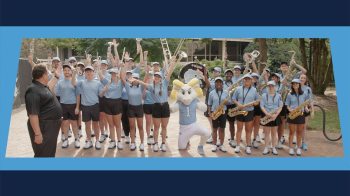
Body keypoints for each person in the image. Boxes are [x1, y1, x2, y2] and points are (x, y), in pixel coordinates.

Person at [134, 57, 177, 152]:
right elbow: (142, 83)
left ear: (161, 78)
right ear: (154, 78)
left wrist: (172, 63)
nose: (157, 78)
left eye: (158, 77)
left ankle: (163, 143)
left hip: (165, 106)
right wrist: (135, 80)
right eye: (155, 76)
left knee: (164, 127)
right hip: (156, 106)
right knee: (156, 127)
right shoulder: (151, 86)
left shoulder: (165, 83)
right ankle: (156, 143)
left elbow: (169, 72)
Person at [25, 65, 63, 157]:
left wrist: (57, 76)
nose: (49, 74)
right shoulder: (33, 90)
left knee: (49, 152)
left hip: (49, 127)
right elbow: (33, 114)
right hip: (44, 127)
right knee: (43, 154)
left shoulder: (42, 87)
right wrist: (38, 134)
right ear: (43, 75)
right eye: (48, 72)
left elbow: (49, 87)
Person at [76, 65, 104, 149]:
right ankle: (89, 141)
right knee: (87, 125)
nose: (88, 73)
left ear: (93, 72)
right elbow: (73, 83)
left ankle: (97, 141)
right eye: (87, 71)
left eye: (90, 71)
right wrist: (74, 73)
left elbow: (100, 94)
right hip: (85, 107)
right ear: (85, 73)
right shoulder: (82, 82)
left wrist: (105, 89)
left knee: (96, 124)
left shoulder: (98, 83)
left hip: (95, 105)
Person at [232, 74, 260, 154]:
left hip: (249, 111)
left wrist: (254, 104)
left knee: (248, 130)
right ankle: (237, 145)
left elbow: (257, 101)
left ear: (251, 81)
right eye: (245, 79)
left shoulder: (254, 90)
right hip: (240, 111)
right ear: (243, 80)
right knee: (239, 129)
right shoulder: (238, 89)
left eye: (248, 79)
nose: (246, 81)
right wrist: (238, 104)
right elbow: (233, 98)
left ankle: (248, 146)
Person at [56, 64, 80, 148]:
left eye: (68, 70)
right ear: (63, 72)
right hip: (63, 105)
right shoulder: (60, 82)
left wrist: (77, 107)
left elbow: (77, 95)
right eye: (65, 70)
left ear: (71, 71)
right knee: (65, 123)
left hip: (73, 105)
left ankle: (76, 139)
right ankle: (65, 139)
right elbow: (57, 94)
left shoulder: (75, 80)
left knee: (74, 123)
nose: (66, 71)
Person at [99, 68, 124, 149]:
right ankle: (113, 141)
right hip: (107, 103)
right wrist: (104, 90)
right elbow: (100, 75)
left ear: (117, 74)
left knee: (117, 124)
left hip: (117, 103)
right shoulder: (107, 82)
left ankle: (119, 141)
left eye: (115, 73)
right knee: (111, 124)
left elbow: (123, 74)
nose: (113, 75)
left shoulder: (121, 83)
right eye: (112, 73)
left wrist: (123, 66)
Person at [121, 71, 146, 151]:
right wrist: (123, 66)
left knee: (140, 126)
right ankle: (133, 143)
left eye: (136, 78)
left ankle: (142, 143)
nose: (134, 80)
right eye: (133, 78)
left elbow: (146, 80)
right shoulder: (128, 86)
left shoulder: (141, 87)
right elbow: (122, 77)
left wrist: (139, 80)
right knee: (132, 126)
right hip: (131, 108)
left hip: (139, 108)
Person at [285, 79, 308, 156]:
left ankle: (298, 148)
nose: (295, 85)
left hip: (301, 115)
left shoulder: (304, 94)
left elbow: (305, 104)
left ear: (299, 85)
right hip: (292, 115)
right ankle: (291, 148)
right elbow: (287, 105)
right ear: (292, 85)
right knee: (291, 132)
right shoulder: (289, 94)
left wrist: (307, 108)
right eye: (293, 84)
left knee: (299, 132)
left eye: (296, 84)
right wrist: (290, 109)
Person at [260, 81, 283, 155]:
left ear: (275, 86)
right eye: (269, 86)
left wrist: (275, 115)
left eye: (272, 86)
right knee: (266, 133)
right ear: (267, 87)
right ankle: (266, 147)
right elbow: (262, 106)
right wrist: (267, 114)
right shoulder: (263, 95)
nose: (270, 87)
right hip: (266, 115)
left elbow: (280, 106)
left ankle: (273, 147)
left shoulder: (279, 95)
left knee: (274, 133)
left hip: (275, 115)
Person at [208, 77, 229, 153]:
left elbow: (228, 102)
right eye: (217, 82)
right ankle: (214, 144)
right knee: (214, 129)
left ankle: (221, 144)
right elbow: (209, 104)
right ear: (215, 84)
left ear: (222, 84)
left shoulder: (226, 92)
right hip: (214, 112)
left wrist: (226, 102)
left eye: (220, 82)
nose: (218, 84)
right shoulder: (211, 93)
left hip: (223, 112)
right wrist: (210, 112)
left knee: (222, 129)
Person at [204, 67, 222, 144]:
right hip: (208, 100)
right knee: (210, 119)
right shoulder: (211, 79)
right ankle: (213, 133)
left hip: (214, 103)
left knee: (214, 120)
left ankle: (214, 136)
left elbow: (208, 84)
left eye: (216, 71)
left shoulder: (219, 81)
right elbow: (206, 86)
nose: (214, 72)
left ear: (220, 73)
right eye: (214, 71)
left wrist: (205, 75)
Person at [299, 74, 314, 151]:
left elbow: (310, 100)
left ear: (306, 80)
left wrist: (312, 110)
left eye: (304, 78)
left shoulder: (308, 89)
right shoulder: (296, 87)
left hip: (306, 111)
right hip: (297, 111)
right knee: (298, 127)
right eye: (301, 77)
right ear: (299, 78)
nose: (302, 79)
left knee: (304, 127)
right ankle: (298, 143)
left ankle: (303, 142)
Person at [223, 69, 237, 148]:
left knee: (232, 123)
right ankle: (220, 139)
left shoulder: (235, 84)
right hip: (224, 105)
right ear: (225, 75)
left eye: (230, 74)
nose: (229, 75)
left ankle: (232, 139)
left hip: (232, 105)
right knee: (221, 123)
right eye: (227, 73)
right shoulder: (221, 83)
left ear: (232, 75)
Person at [143, 69, 155, 145]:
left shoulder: (156, 85)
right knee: (148, 122)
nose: (150, 77)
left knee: (154, 122)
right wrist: (144, 88)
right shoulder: (144, 85)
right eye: (148, 76)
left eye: (151, 76)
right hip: (147, 105)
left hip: (155, 105)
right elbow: (143, 97)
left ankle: (153, 135)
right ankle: (148, 137)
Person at [251, 72, 263, 149]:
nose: (254, 79)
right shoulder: (246, 86)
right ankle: (248, 140)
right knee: (249, 124)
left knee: (257, 123)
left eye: (256, 78)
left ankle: (255, 139)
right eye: (253, 77)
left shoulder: (259, 87)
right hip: (249, 107)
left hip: (257, 107)